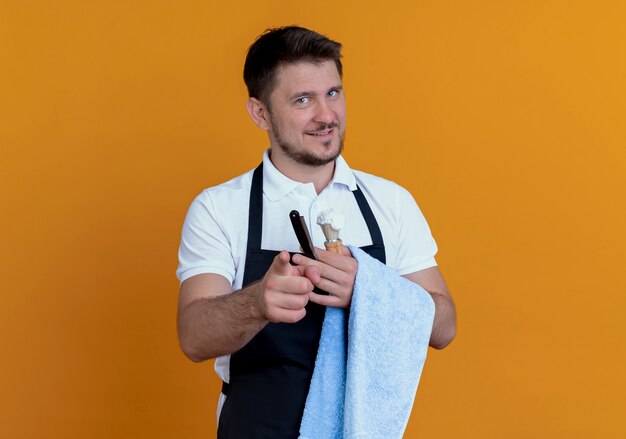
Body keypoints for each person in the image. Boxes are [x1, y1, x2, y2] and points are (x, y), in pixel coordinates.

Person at [176, 26, 456, 438]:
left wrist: (371, 288)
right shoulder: (219, 207)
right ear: (260, 113)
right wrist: (257, 302)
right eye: (302, 100)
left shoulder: (390, 202)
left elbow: (444, 327)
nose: (326, 115)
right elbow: (194, 337)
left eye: (333, 93)